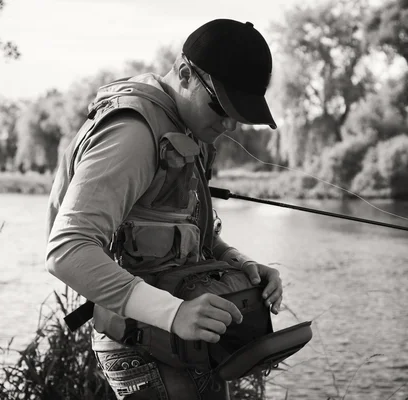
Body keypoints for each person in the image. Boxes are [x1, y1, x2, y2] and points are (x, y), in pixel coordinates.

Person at [46, 19, 283, 399]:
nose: (229, 124)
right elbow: (66, 250)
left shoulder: (188, 128)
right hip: (145, 348)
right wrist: (174, 314)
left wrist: (240, 263)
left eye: (238, 113)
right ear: (186, 74)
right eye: (222, 106)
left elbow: (193, 231)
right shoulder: (134, 132)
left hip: (185, 342)